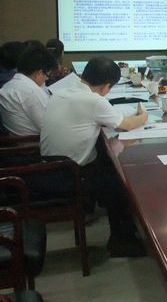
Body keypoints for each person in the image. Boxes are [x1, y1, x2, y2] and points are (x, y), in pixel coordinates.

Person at [40, 57, 149, 256]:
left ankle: (124, 234)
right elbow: (126, 125)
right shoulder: (94, 101)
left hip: (48, 166)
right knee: (119, 182)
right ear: (107, 86)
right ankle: (122, 241)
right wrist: (143, 116)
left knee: (108, 162)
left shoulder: (62, 92)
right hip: (68, 175)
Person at [0, 44, 56, 135]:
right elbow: (50, 126)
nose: (46, 79)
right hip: (34, 141)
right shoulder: (31, 91)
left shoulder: (7, 86)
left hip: (16, 140)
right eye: (47, 75)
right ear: (39, 73)